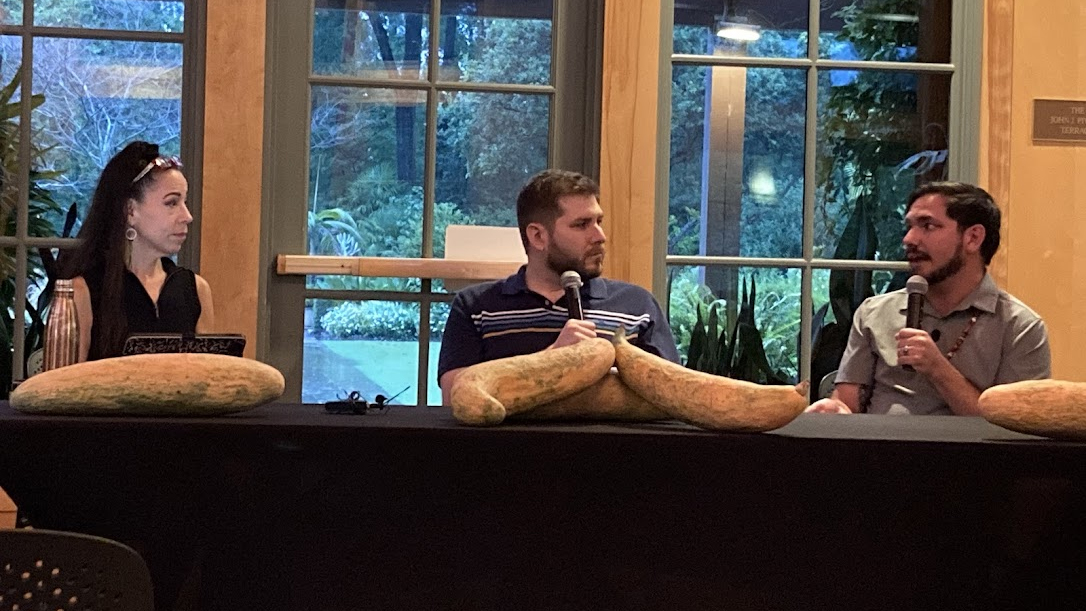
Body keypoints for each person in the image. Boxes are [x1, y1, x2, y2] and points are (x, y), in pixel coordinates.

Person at [438, 169, 680, 404]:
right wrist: (553, 358)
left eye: (599, 221)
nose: (599, 236)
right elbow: (456, 397)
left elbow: (674, 395)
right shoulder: (476, 307)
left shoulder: (637, 306)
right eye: (582, 224)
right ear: (538, 237)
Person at [808, 182, 1050, 415]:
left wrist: (937, 368)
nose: (909, 239)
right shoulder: (874, 312)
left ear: (973, 238)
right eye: (909, 227)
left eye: (928, 226)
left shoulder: (1020, 327)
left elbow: (1016, 429)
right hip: (879, 454)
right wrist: (834, 410)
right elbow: (847, 402)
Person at [59, 141, 214, 362]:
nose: (187, 216)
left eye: (185, 202)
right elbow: (64, 389)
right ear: (130, 211)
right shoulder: (83, 291)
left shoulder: (196, 290)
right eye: (172, 203)